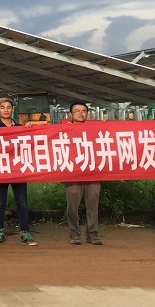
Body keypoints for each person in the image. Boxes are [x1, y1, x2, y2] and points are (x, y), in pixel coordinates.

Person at [0, 97, 37, 246]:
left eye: (8, 107)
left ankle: (25, 232)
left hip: (18, 170)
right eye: (2, 107)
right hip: (0, 170)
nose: (6, 110)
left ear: (12, 109)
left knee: (22, 203)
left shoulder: (20, 127)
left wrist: (29, 128)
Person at [64, 101, 101, 245]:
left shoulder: (95, 129)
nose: (81, 113)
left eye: (83, 111)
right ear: (70, 114)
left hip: (93, 171)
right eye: (77, 111)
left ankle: (92, 233)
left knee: (93, 203)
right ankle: (74, 233)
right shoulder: (63, 129)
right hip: (72, 172)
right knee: (72, 204)